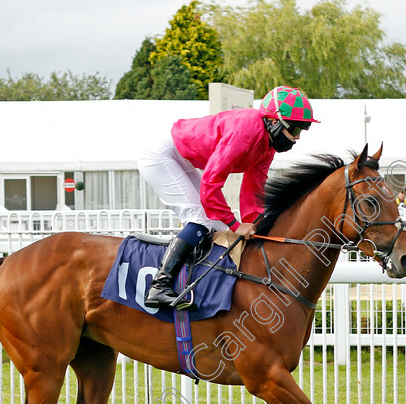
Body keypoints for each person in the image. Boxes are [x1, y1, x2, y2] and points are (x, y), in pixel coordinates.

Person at [137, 85, 319, 309]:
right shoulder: (245, 131)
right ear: (274, 121)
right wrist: (235, 224)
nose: (297, 136)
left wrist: (256, 225)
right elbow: (211, 182)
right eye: (294, 128)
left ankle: (195, 282)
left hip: (183, 160)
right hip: (162, 156)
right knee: (200, 219)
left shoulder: (267, 145)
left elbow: (253, 188)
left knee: (214, 223)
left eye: (302, 129)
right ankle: (159, 285)